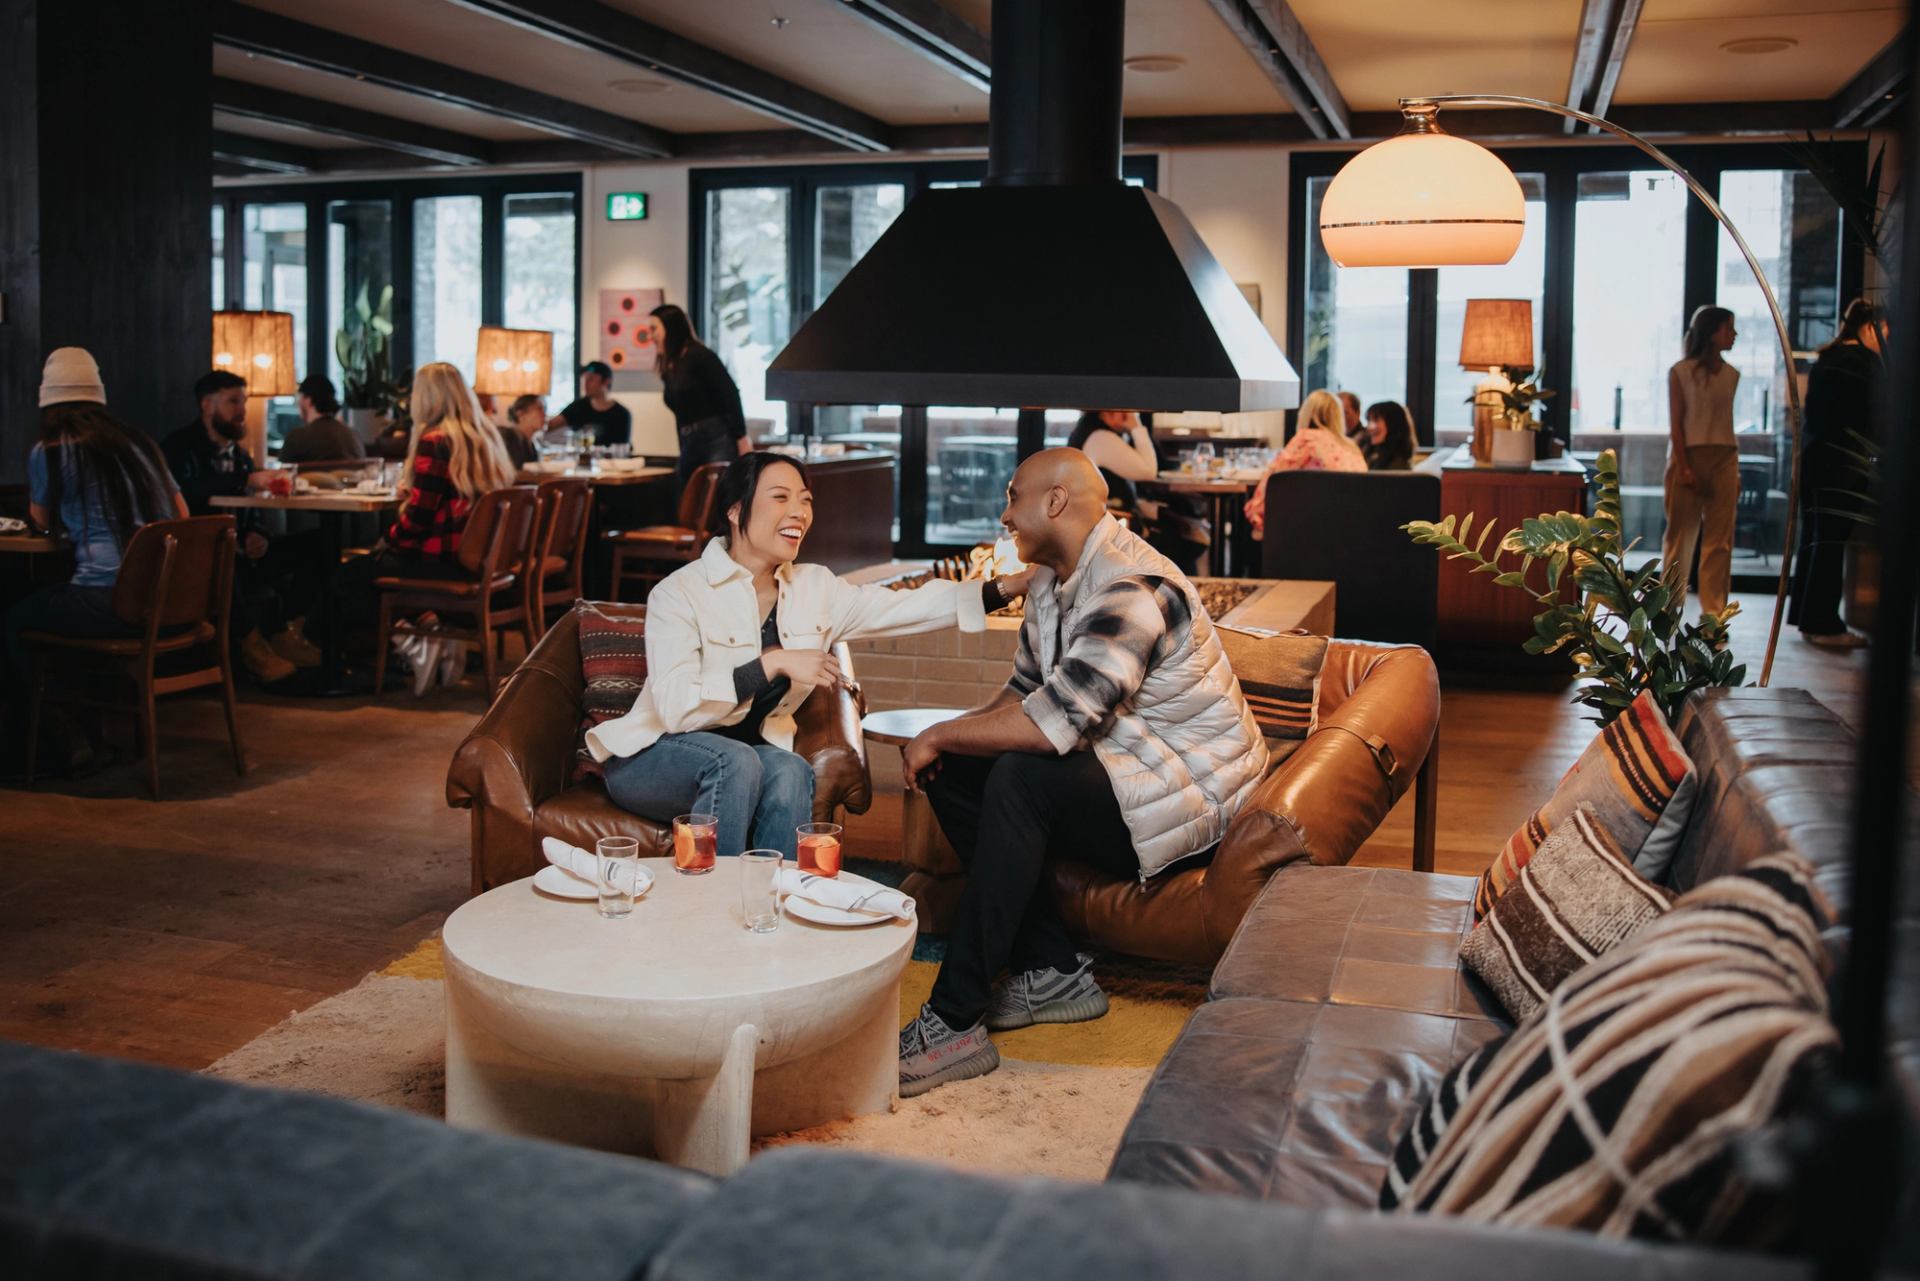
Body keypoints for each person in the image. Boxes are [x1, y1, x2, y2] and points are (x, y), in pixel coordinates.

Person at [895, 450, 1267, 1097]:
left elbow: (1052, 723)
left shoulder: (1135, 587)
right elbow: (1023, 694)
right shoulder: (1050, 581)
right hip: (1132, 770)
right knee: (955, 767)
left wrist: (937, 731)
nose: (1004, 514)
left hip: (1195, 799)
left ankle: (953, 1021)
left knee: (1019, 776)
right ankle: (1051, 970)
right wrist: (945, 740)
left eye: (1013, 497)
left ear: (1055, 502)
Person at [586, 451, 1026, 860]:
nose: (799, 512)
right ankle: (711, 906)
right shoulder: (679, 593)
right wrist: (770, 663)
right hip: (653, 756)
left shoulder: (815, 588)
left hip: (747, 759)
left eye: (806, 500)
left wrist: (1008, 587)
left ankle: (781, 902)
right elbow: (676, 709)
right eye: (781, 497)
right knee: (736, 761)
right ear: (736, 511)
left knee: (791, 770)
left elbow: (903, 607)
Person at [4, 350, 189, 769]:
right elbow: (182, 516)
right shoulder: (140, 444)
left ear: (47, 403)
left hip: (110, 602)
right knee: (54, 610)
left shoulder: (50, 451)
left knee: (14, 622)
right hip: (169, 602)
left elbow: (40, 523)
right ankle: (89, 726)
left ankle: (61, 732)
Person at [332, 363, 519, 695]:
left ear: (426, 398)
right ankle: (430, 630)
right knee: (370, 568)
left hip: (444, 561)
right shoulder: (485, 437)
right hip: (480, 560)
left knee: (347, 577)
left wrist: (386, 541)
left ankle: (410, 642)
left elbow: (418, 520)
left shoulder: (436, 441)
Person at [163, 371, 317, 684]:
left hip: (242, 554)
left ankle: (288, 632)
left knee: (316, 543)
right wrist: (244, 480)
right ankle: (252, 647)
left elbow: (250, 513)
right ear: (207, 405)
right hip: (196, 559)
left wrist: (257, 534)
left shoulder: (241, 457)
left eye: (243, 402)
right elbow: (187, 490)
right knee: (220, 555)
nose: (242, 410)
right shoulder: (178, 448)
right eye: (233, 402)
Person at [1790, 298, 1886, 648]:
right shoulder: (1862, 363)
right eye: (1885, 331)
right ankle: (1824, 623)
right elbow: (1874, 418)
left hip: (1816, 458)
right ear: (1869, 328)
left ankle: (1807, 617)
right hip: (1845, 464)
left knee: (1815, 538)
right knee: (1831, 541)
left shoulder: (1828, 358)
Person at [1663, 305, 1741, 619]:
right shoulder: (1680, 372)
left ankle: (1714, 613)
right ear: (1711, 332)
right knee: (1680, 538)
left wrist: (1735, 472)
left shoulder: (1732, 375)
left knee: (1720, 541)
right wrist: (1683, 466)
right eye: (1728, 328)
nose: (1734, 334)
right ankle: (1668, 607)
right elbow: (1676, 424)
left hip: (1725, 457)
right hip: (1689, 456)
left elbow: (1727, 422)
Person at [645, 303, 751, 493]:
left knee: (714, 499)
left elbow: (730, 394)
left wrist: (741, 437)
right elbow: (681, 415)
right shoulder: (672, 365)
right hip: (690, 442)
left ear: (670, 328)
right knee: (687, 498)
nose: (650, 336)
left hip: (716, 438)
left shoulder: (700, 355)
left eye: (654, 329)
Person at [1243, 388, 1367, 534]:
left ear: (1306, 413)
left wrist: (1255, 514)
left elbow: (1273, 480)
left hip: (1313, 526)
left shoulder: (1306, 439)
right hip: (1353, 524)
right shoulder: (1350, 446)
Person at [279, 376, 365, 465]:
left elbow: (282, 472)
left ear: (308, 400)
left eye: (299, 397)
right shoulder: (353, 436)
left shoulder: (296, 438)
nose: (297, 403)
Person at [549, 360, 632, 449]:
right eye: (585, 379)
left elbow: (621, 449)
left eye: (591, 379)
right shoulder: (577, 407)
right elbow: (549, 425)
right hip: (579, 457)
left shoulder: (622, 414)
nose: (586, 384)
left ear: (606, 381)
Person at [1361, 401, 1417, 471]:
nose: (1369, 427)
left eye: (1376, 420)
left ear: (1393, 424)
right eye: (1369, 420)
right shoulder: (1374, 455)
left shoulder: (1397, 466)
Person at [497, 393, 547, 469]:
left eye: (544, 409)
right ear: (520, 414)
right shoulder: (507, 438)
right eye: (539, 409)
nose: (544, 414)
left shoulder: (532, 444)